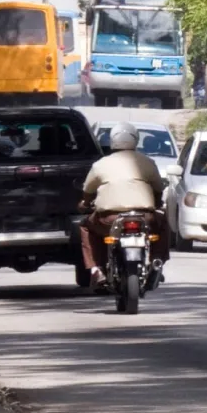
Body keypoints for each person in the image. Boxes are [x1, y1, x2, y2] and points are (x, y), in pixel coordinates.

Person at [80, 123, 170, 289]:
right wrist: (157, 204)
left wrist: (85, 203)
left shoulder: (101, 164)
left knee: (86, 227)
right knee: (163, 222)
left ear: (113, 140)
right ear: (135, 140)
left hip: (109, 219)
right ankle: (157, 259)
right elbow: (158, 188)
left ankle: (96, 269)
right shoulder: (147, 162)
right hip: (145, 217)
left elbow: (88, 190)